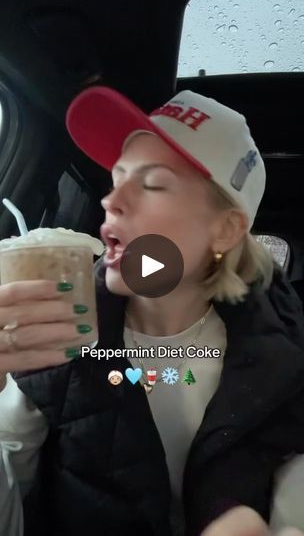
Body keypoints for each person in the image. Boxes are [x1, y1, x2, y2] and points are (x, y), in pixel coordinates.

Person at [1, 87, 304, 536]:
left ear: (224, 230)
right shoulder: (51, 343)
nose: (111, 200)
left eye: (153, 183)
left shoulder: (285, 363)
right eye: (116, 176)